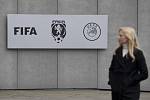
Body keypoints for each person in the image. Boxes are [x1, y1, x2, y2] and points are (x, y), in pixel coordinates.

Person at [108, 27, 148, 100]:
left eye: (120, 35)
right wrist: (113, 83)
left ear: (128, 37)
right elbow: (112, 69)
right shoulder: (117, 52)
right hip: (117, 91)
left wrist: (129, 81)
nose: (118, 37)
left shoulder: (138, 53)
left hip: (131, 91)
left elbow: (144, 74)